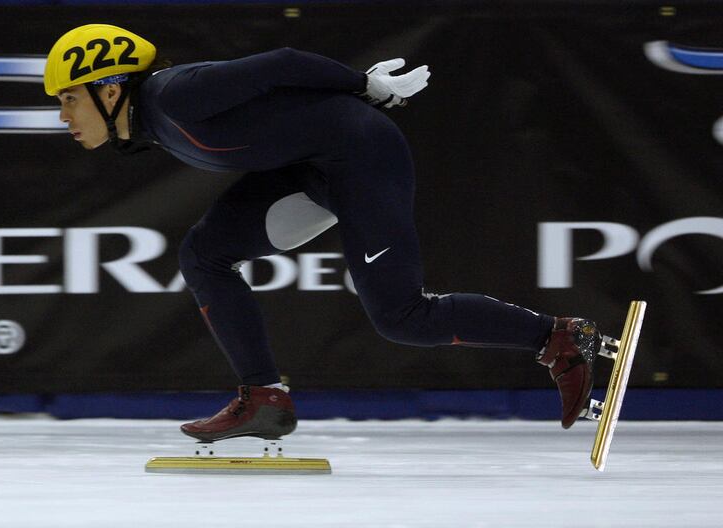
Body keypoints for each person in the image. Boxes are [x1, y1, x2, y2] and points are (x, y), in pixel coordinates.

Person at [44, 24, 602, 442]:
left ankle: (558, 338)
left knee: (401, 317)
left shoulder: (173, 95)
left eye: (69, 99)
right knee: (204, 255)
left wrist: (367, 85)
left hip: (362, 157)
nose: (64, 116)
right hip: (310, 167)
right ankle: (263, 399)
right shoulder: (147, 125)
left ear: (110, 90)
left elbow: (280, 63)